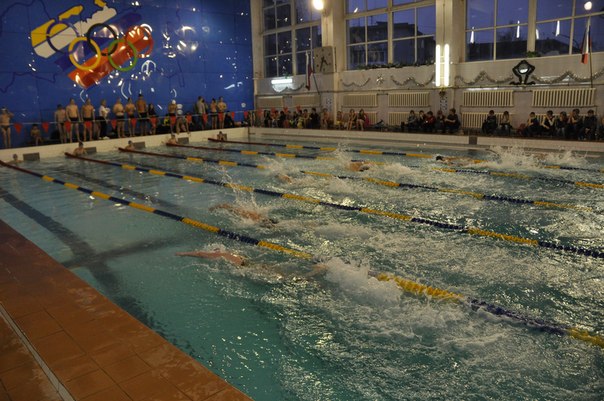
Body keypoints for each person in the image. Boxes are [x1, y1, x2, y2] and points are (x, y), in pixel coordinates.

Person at [209, 203, 277, 227]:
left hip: (260, 220)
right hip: (262, 219)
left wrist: (214, 208)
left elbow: (225, 205)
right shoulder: (244, 211)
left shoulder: (238, 211)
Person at [176, 250, 247, 266]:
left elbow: (200, 254)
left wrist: (184, 253)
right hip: (244, 264)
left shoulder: (222, 256)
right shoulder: (232, 254)